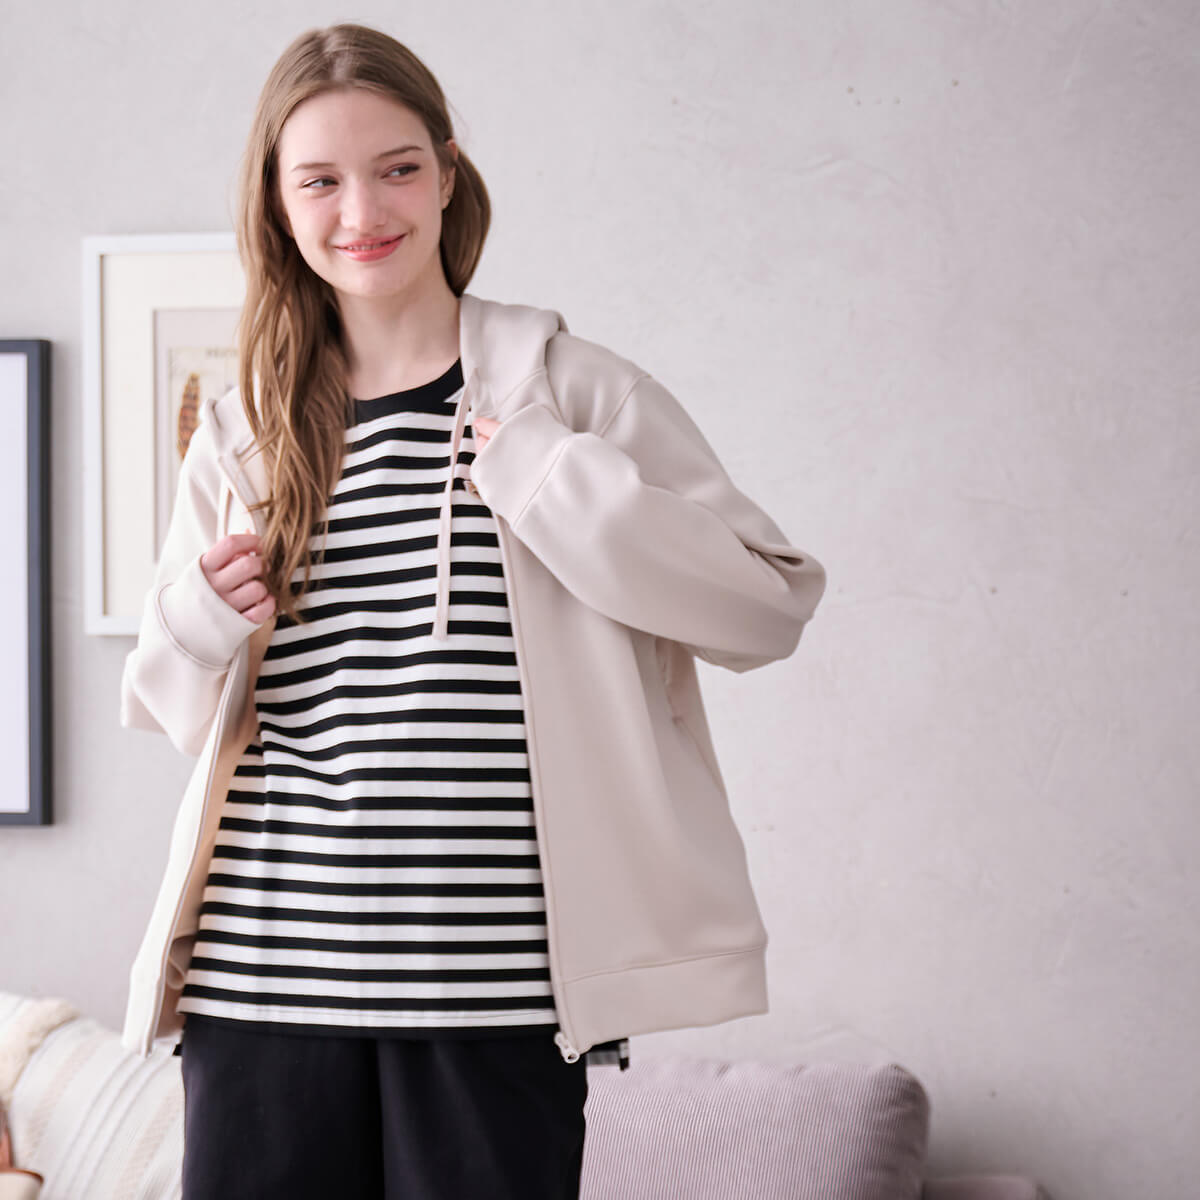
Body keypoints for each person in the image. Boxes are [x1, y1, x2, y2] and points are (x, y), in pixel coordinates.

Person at [118, 21, 827, 1200]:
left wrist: (559, 484)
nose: (363, 210)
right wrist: (195, 623)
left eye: (397, 168)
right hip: (259, 983)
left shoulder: (571, 393)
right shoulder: (245, 429)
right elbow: (167, 704)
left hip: (496, 995)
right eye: (320, 181)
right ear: (277, 205)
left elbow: (767, 606)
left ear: (448, 174)